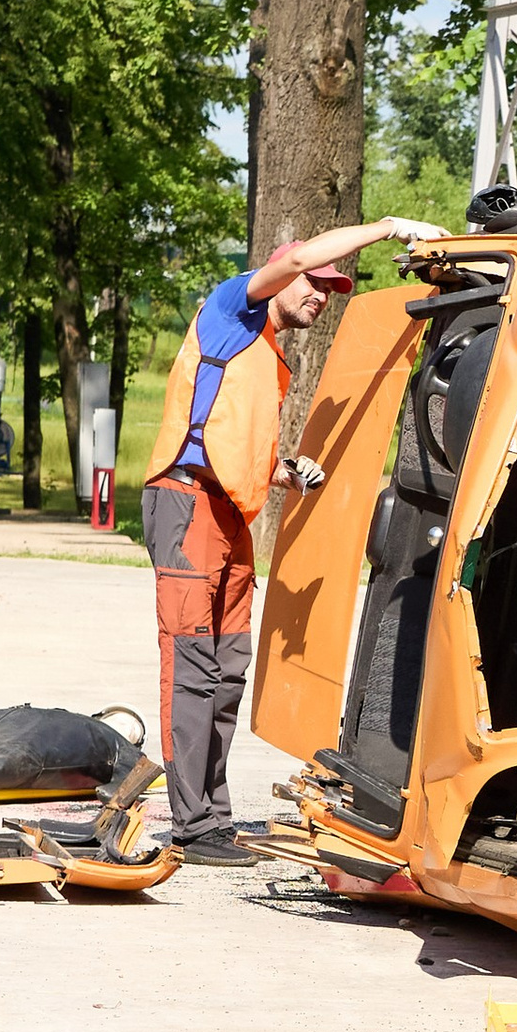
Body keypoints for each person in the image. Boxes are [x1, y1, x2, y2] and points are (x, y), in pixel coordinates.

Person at [142, 220, 442, 862]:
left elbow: (232, 443)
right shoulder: (232, 307)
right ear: (281, 275)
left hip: (226, 513)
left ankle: (213, 818)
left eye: (331, 290)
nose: (322, 296)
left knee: (227, 667)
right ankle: (192, 827)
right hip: (185, 502)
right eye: (314, 283)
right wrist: (390, 229)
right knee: (191, 666)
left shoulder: (264, 355)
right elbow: (302, 252)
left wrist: (286, 473)